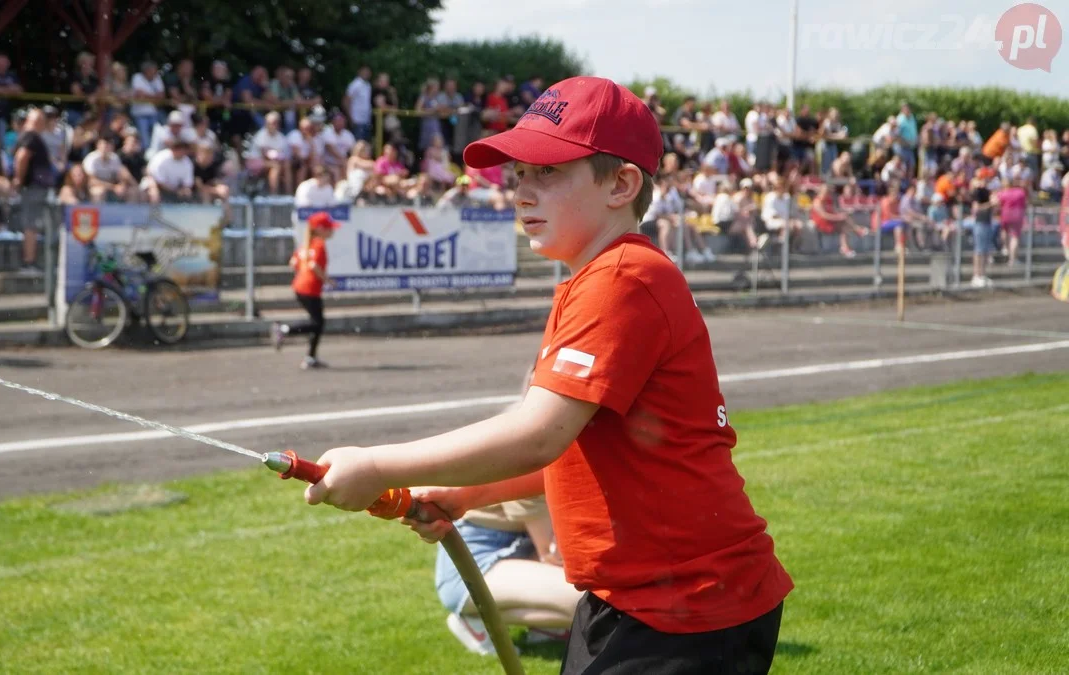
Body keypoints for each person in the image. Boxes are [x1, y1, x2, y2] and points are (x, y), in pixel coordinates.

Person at [301, 76, 793, 675]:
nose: (523, 193)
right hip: (641, 599)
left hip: (688, 606)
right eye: (520, 176)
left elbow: (539, 433)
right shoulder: (600, 279)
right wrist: (465, 495)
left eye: (549, 172)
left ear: (622, 184)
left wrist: (378, 466)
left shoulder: (620, 280)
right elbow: (567, 448)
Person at [437, 369, 583, 656]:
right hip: (474, 567)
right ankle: (474, 618)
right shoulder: (530, 448)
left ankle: (548, 627)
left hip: (514, 552)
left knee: (602, 597)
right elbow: (551, 552)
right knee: (594, 600)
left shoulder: (551, 436)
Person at [272, 211, 338, 370]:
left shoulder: (306, 245)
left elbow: (293, 262)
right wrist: (326, 280)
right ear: (320, 229)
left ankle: (311, 357)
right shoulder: (319, 245)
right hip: (309, 289)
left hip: (301, 287)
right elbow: (314, 266)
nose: (332, 231)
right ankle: (285, 330)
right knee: (317, 323)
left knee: (318, 323)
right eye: (328, 228)